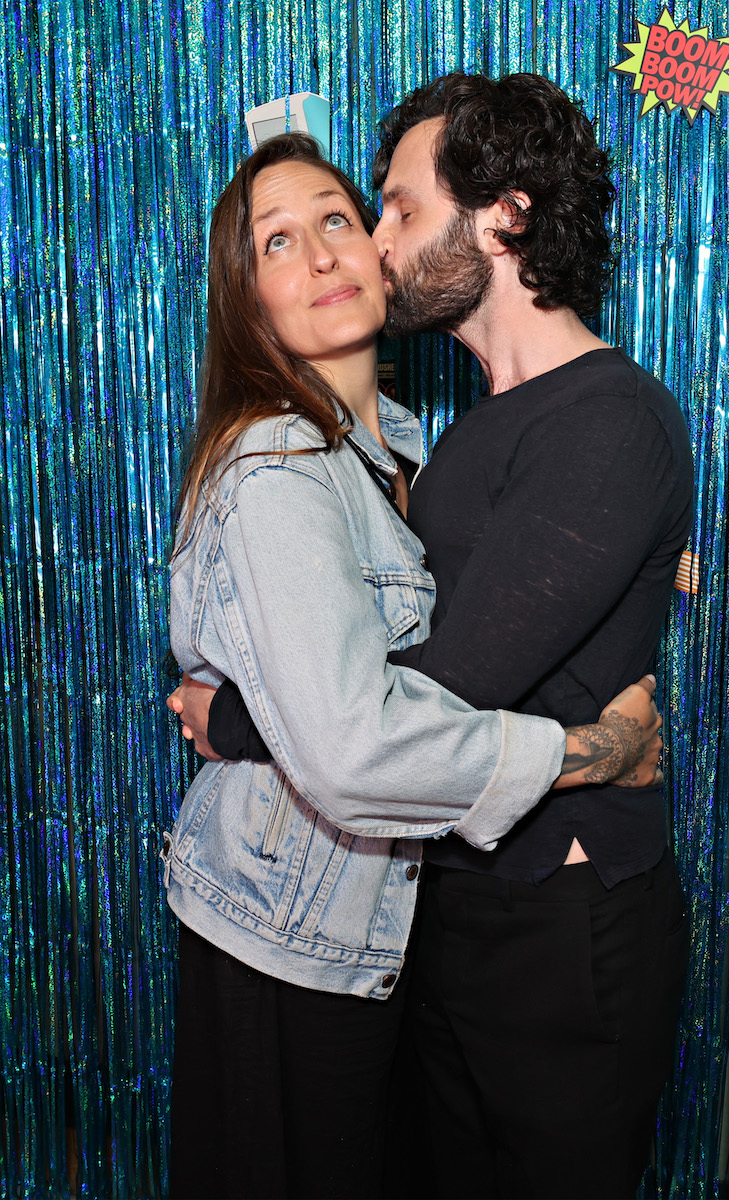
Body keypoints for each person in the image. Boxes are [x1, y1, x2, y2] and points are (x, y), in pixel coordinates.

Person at [173, 73, 695, 1199]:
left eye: (396, 210)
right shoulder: (445, 441)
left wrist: (242, 719)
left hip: (560, 932)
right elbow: (370, 691)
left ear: (502, 215)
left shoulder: (606, 420)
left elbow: (446, 683)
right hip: (445, 908)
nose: (373, 242)